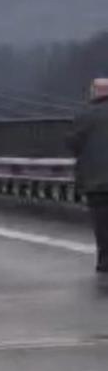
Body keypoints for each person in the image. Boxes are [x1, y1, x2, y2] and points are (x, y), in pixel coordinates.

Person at [69, 78, 108, 272]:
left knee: (101, 221)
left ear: (94, 93)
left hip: (96, 180)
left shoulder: (83, 116)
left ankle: (104, 258)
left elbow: (73, 144)